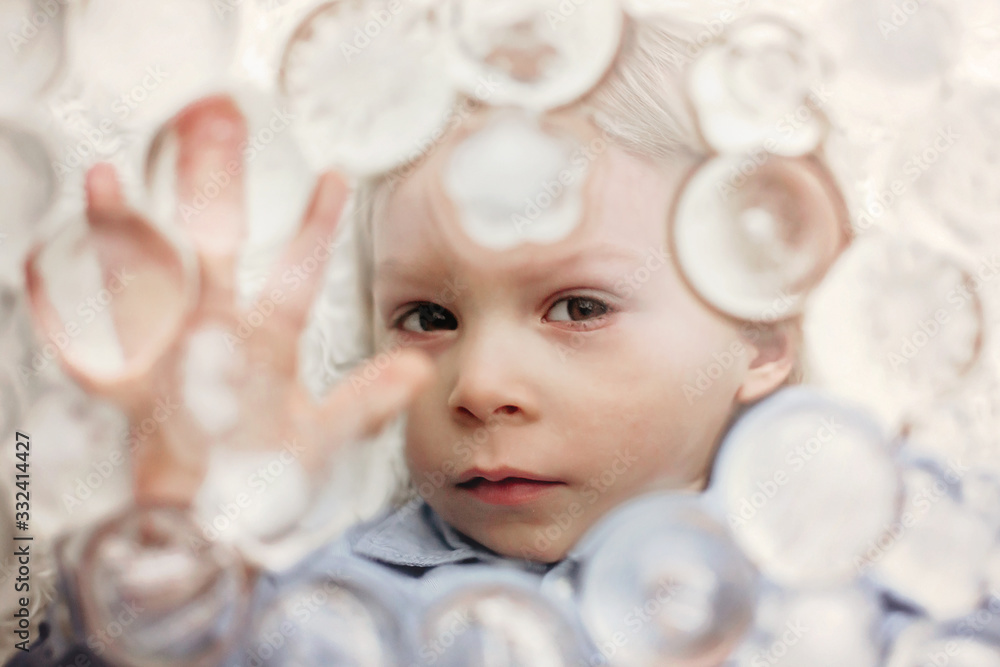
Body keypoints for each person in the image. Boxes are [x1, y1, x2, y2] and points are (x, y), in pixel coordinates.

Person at [7, 12, 807, 667]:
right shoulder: (312, 591)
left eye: (578, 307)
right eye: (428, 318)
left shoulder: (839, 580)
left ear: (763, 334)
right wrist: (174, 538)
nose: (480, 384)